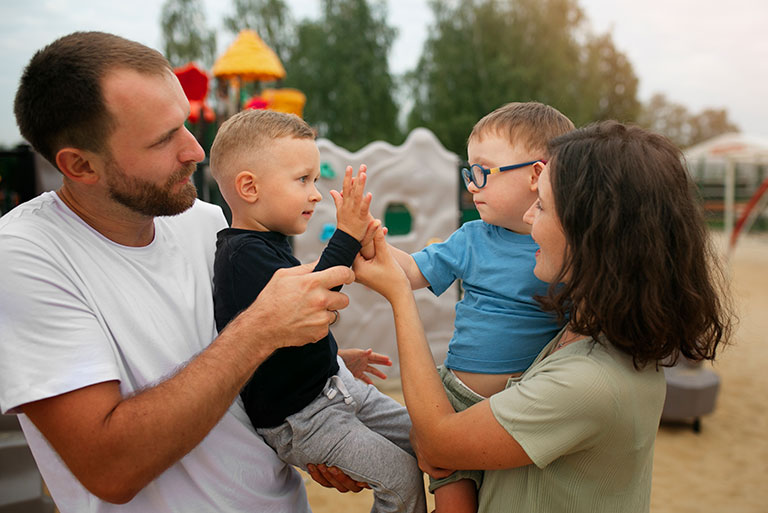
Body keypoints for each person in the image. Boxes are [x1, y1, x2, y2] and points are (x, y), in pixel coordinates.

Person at [0, 31, 361, 513]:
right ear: (81, 165)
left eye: (186, 124)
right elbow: (110, 467)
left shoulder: (208, 223)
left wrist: (309, 386)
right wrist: (261, 330)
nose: (195, 150)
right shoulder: (24, 256)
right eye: (163, 139)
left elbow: (229, 382)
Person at [350, 121, 733, 513]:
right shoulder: (582, 331)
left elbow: (437, 443)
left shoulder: (590, 381)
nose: (529, 217)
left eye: (544, 205)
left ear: (592, 233)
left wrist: (399, 296)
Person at [209, 108, 426, 513]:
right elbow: (314, 299)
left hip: (336, 387)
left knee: (431, 438)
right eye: (303, 180)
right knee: (402, 477)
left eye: (316, 179)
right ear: (249, 188)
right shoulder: (241, 256)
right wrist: (345, 236)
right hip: (304, 418)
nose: (314, 193)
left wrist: (335, 358)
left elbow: (285, 338)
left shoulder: (269, 243)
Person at [387, 101, 573, 511]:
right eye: (469, 172)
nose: (472, 184)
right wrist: (371, 243)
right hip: (454, 399)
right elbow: (413, 272)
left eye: (483, 172)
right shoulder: (473, 237)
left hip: (521, 408)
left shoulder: (565, 250)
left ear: (537, 175)